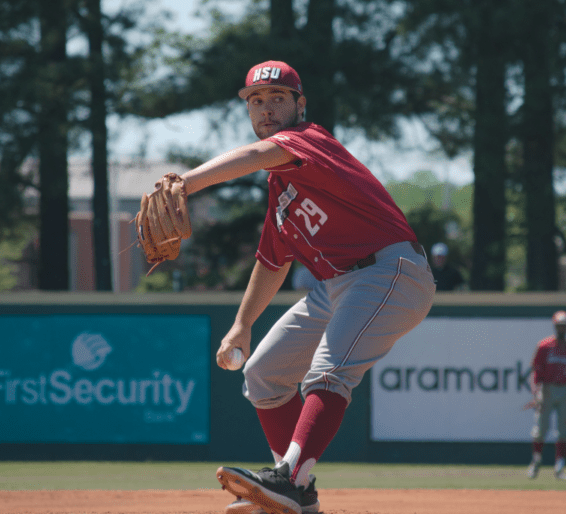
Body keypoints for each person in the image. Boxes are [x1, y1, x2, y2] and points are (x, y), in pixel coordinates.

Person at [168, 60, 436, 514]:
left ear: (300, 104)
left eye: (277, 98)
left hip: (389, 271)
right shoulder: (281, 191)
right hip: (337, 285)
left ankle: (290, 478)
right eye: (256, 101)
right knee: (264, 374)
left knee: (328, 373)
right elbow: (271, 262)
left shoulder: (309, 141)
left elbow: (255, 156)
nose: (266, 109)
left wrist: (186, 182)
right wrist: (241, 325)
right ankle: (295, 494)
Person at [527, 310, 566, 481]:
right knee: (540, 429)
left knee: (563, 431)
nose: (562, 329)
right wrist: (536, 393)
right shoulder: (544, 347)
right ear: (555, 326)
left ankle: (559, 467)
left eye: (564, 326)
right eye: (559, 326)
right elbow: (535, 372)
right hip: (546, 389)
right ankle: (536, 462)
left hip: (565, 390)